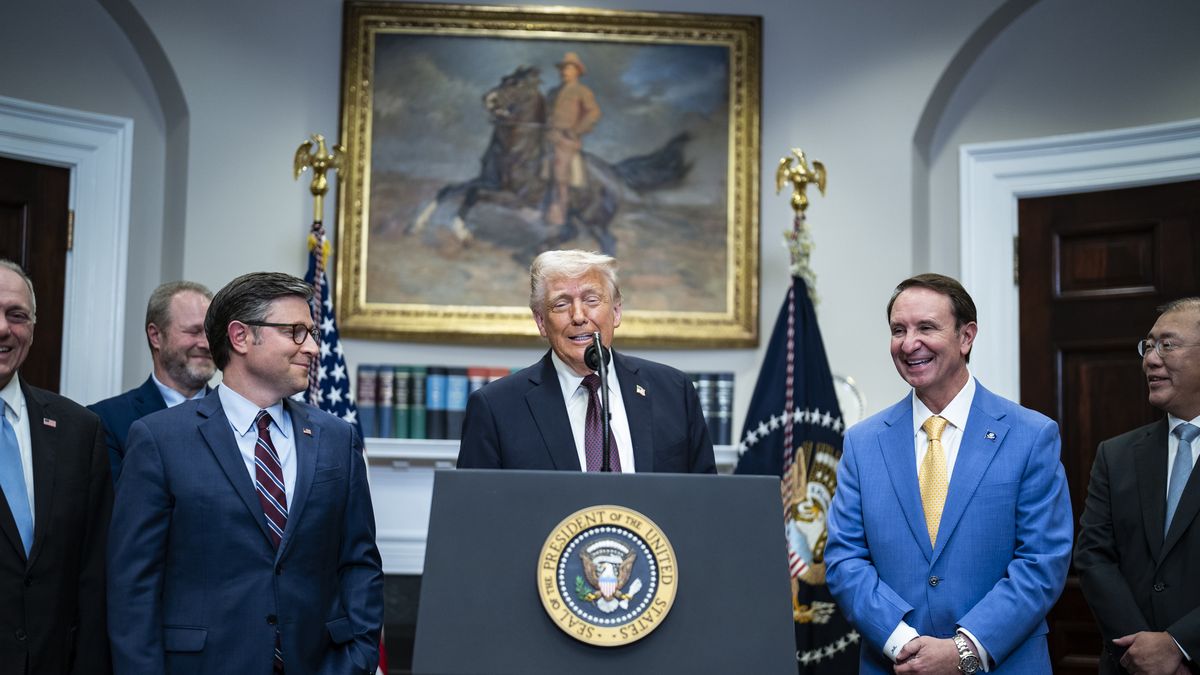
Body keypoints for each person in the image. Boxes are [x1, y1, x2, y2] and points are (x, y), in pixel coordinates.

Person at [108, 272, 383, 674]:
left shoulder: (337, 438)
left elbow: (360, 564)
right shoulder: (160, 439)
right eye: (295, 332)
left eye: (311, 333)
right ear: (240, 337)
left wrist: (356, 661)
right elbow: (133, 585)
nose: (312, 347)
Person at [825, 273, 1073, 674]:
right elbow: (844, 558)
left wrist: (963, 650)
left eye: (926, 328)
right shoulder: (862, 443)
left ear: (966, 337)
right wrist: (902, 643)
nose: (909, 344)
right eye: (898, 330)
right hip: (896, 664)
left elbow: (1042, 561)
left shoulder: (1031, 436)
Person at [457, 249, 715, 473]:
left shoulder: (673, 391)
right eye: (561, 304)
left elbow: (705, 498)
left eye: (592, 300)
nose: (579, 316)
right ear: (541, 321)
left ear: (616, 311)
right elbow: (474, 508)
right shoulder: (496, 408)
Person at [1075, 298, 1200, 675]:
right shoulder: (1116, 455)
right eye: (1148, 346)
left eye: (1167, 345)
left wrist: (1179, 644)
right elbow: (1094, 557)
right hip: (1129, 663)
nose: (1150, 359)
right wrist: (1144, 649)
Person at [0, 260, 112, 674]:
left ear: (33, 328)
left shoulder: (79, 429)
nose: (3, 328)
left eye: (17, 315)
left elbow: (94, 573)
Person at [89, 280, 214, 482]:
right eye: (194, 331)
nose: (206, 344)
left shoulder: (235, 415)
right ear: (156, 336)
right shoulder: (106, 420)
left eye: (211, 333)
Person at [544, 52, 601, 237]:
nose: (564, 72)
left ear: (577, 71)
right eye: (562, 68)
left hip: (566, 140)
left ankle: (558, 219)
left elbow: (593, 113)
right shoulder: (552, 92)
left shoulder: (582, 91)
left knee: (560, 175)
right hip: (548, 137)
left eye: (568, 68)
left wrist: (576, 130)